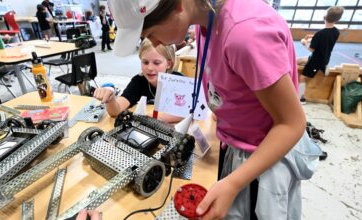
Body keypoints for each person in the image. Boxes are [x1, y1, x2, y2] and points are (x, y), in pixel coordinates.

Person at [107, 0, 320, 219]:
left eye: (150, 33)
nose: (153, 42)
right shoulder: (204, 19)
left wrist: (234, 182)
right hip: (235, 142)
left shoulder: (245, 33)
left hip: (262, 157)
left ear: (177, 6)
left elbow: (291, 123)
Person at [93, 38, 183, 123]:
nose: (150, 68)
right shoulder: (139, 81)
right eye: (145, 62)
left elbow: (188, 111)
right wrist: (111, 100)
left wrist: (155, 117)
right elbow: (116, 111)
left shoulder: (179, 82)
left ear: (168, 64)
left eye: (156, 63)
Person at [297, 6, 344, 103]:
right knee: (297, 61)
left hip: (316, 61)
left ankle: (301, 98)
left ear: (324, 17)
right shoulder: (336, 32)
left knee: (302, 77)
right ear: (338, 19)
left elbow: (311, 49)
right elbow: (326, 36)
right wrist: (313, 36)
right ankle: (324, 66)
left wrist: (304, 42)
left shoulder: (320, 34)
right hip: (324, 57)